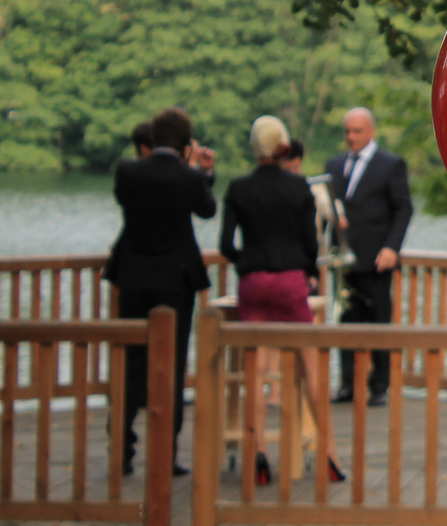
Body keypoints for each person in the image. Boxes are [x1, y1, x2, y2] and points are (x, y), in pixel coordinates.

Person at [219, 116, 344, 484]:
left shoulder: (238, 188)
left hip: (254, 282)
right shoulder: (298, 188)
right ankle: (329, 453)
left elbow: (227, 244)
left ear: (254, 147)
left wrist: (249, 265)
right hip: (291, 282)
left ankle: (258, 454)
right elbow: (310, 245)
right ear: (283, 146)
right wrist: (303, 271)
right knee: (311, 369)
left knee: (255, 375)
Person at [104, 107, 216, 477]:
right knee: (172, 366)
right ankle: (165, 455)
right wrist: (202, 171)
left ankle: (121, 448)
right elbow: (206, 210)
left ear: (151, 138)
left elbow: (125, 203)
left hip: (133, 276)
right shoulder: (189, 178)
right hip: (175, 279)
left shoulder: (127, 171)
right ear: (185, 143)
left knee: (131, 364)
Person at [325, 107, 412, 406]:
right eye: (347, 131)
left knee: (378, 322)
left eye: (357, 131)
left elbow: (403, 208)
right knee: (346, 322)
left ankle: (379, 386)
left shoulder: (390, 164)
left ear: (371, 131)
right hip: (344, 259)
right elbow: (327, 209)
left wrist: (391, 248)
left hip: (378, 259)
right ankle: (348, 382)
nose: (351, 137)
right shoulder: (334, 166)